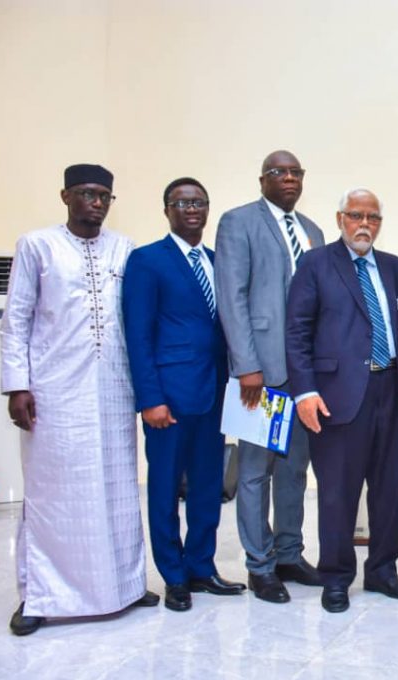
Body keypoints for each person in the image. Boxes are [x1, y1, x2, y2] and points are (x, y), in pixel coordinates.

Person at [0, 164, 159, 636]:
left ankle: (125, 587)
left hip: (113, 388)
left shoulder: (124, 249)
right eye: (87, 194)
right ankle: (40, 597)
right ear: (66, 196)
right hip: (54, 391)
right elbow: (16, 319)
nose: (96, 203)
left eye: (104, 196)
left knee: (117, 490)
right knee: (53, 495)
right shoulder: (36, 245)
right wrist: (17, 385)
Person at [286, 189, 398, 613]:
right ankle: (335, 577)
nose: (364, 224)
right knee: (338, 492)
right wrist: (305, 391)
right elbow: (297, 331)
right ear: (340, 219)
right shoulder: (315, 264)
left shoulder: (396, 268)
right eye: (355, 215)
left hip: (392, 390)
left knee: (390, 490)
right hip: (337, 396)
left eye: (372, 217)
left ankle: (383, 570)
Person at [123, 178, 247, 612]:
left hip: (214, 394)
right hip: (169, 400)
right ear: (167, 210)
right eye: (182, 203)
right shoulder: (147, 260)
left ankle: (201, 567)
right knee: (164, 487)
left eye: (199, 202)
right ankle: (174, 576)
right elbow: (138, 336)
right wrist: (149, 399)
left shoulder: (216, 261)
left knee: (209, 486)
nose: (192, 209)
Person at [214, 150, 325, 603]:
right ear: (262, 180)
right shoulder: (238, 222)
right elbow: (232, 297)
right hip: (260, 373)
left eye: (296, 172)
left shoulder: (313, 230)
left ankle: (289, 554)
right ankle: (259, 564)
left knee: (295, 469)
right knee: (256, 471)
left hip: (303, 373)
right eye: (279, 172)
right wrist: (247, 366)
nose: (289, 179)